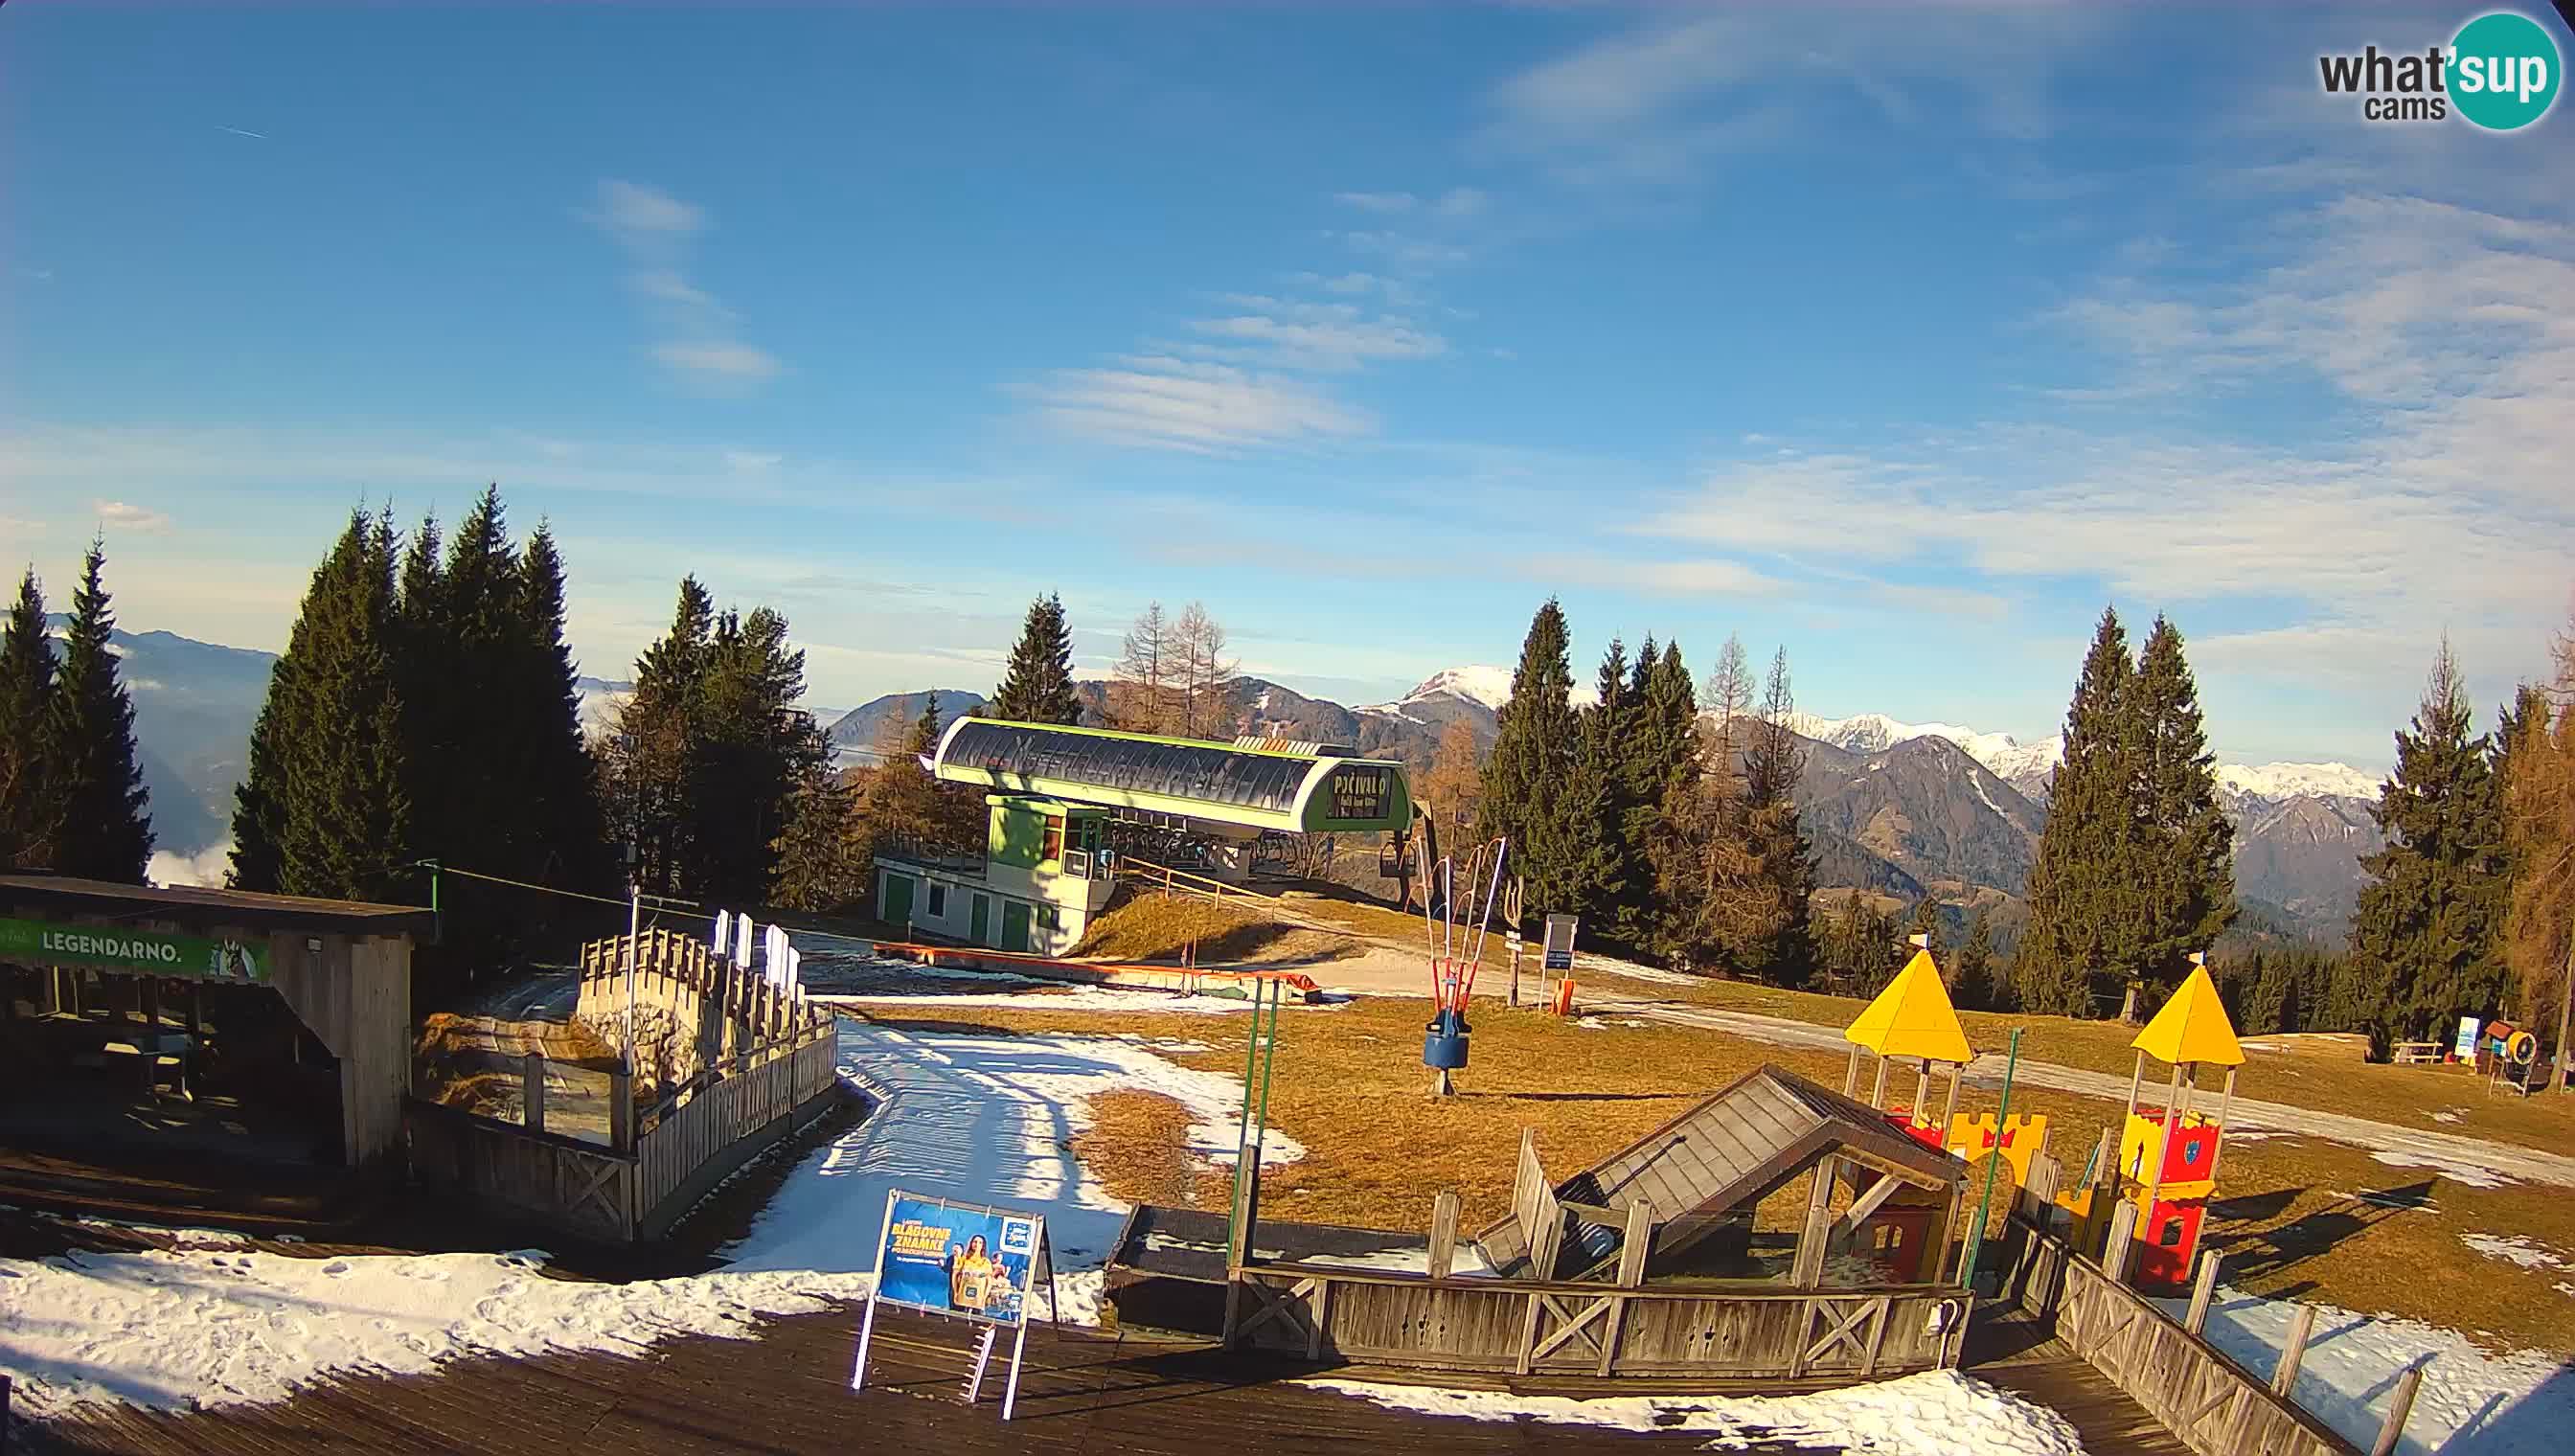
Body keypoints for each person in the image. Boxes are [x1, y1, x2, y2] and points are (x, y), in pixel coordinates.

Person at [947, 1234, 994, 1312]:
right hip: (962, 1297)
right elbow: (955, 1275)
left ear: (983, 1246)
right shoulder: (963, 1259)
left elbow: (989, 1282)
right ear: (971, 1243)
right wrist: (955, 1292)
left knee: (975, 1321)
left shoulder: (986, 1262)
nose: (977, 1244)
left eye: (980, 1243)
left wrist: (984, 1297)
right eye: (975, 1242)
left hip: (977, 1299)